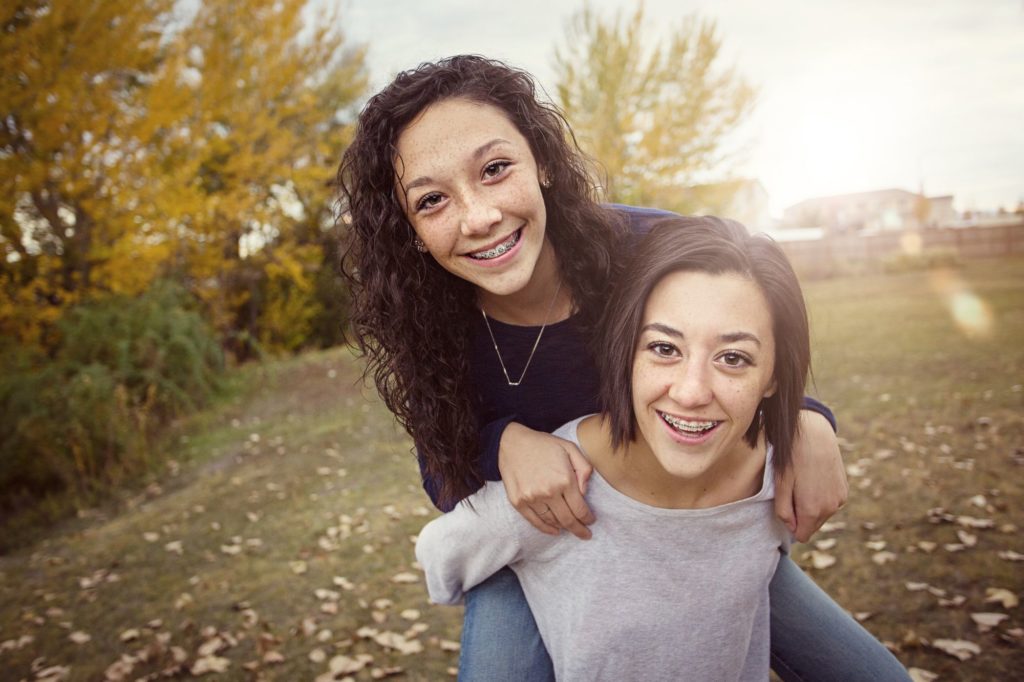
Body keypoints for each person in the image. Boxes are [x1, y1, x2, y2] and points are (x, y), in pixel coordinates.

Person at [337, 55, 903, 680]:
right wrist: (505, 446)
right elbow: (440, 467)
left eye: (495, 170)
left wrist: (806, 418)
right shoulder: (423, 318)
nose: (479, 217)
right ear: (411, 229)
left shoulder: (649, 252)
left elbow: (753, 330)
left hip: (682, 523)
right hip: (540, 540)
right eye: (433, 201)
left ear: (542, 162)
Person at [416, 217, 813, 680]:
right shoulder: (557, 492)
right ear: (625, 352)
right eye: (665, 348)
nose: (691, 392)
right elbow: (441, 555)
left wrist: (813, 422)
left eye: (733, 358)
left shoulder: (776, 481)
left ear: (775, 376)